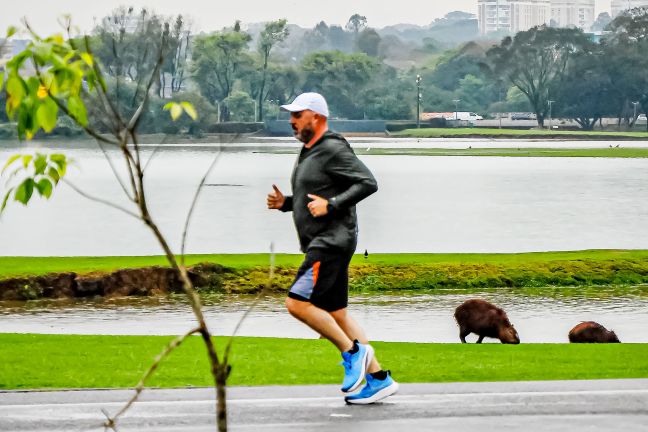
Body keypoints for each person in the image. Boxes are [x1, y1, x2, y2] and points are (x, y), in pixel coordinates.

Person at [266, 92, 398, 404]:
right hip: (324, 241)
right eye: (292, 115)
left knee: (296, 303)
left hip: (331, 242)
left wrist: (333, 205)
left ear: (317, 117)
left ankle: (353, 353)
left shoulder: (333, 148)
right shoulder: (309, 152)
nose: (292, 120)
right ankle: (379, 379)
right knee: (337, 313)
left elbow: (367, 182)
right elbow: (316, 196)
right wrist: (286, 203)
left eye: (298, 115)